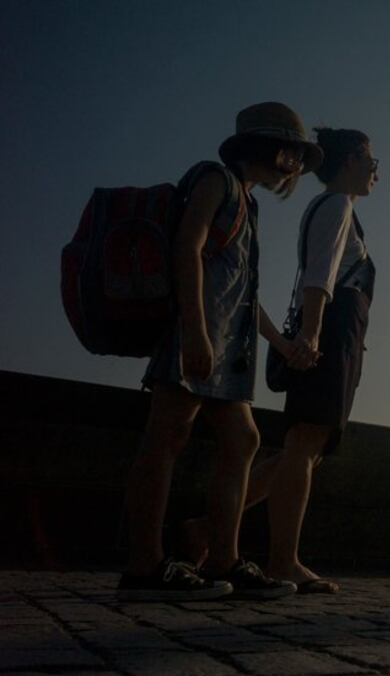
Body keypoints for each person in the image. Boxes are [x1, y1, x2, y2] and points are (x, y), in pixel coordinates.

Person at [118, 102, 324, 602]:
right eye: (294, 152)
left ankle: (224, 560)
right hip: (197, 337)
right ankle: (143, 565)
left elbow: (242, 294)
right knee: (167, 436)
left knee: (243, 440)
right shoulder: (216, 180)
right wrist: (193, 330)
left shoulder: (248, 204)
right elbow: (185, 247)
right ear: (273, 147)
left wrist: (278, 342)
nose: (296, 164)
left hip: (226, 352)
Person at [185, 127, 378, 594]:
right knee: (304, 446)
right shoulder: (337, 205)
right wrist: (312, 333)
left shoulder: (329, 208)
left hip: (332, 333)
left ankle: (206, 531)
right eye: (371, 160)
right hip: (331, 333)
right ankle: (283, 560)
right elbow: (320, 277)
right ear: (350, 160)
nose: (376, 171)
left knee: (303, 450)